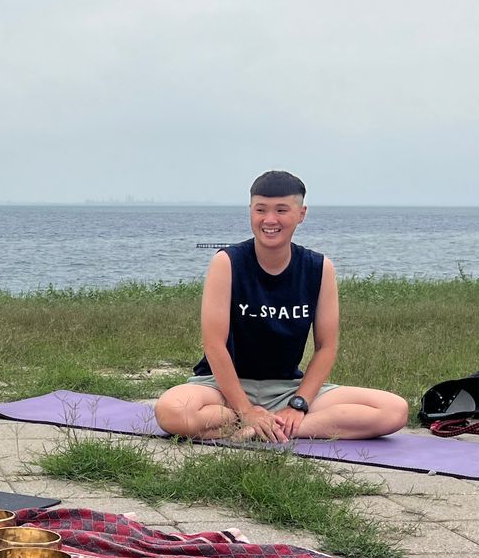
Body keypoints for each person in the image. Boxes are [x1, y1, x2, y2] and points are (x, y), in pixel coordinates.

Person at [155, 171, 409, 442]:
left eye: (281, 210)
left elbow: (327, 347)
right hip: (222, 388)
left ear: (301, 214)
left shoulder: (319, 268)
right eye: (260, 210)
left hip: (287, 388)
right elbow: (214, 345)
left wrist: (299, 404)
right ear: (250, 211)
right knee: (172, 411)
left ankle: (272, 430)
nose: (270, 220)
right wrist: (245, 408)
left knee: (394, 410)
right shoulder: (227, 263)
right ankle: (245, 421)